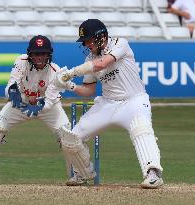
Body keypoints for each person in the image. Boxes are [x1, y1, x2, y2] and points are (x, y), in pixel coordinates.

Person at [54, 19, 163, 188]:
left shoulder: (120, 43)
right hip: (107, 104)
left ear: (101, 36)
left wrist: (71, 73)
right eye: (85, 41)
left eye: (89, 40)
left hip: (134, 101)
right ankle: (83, 173)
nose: (87, 44)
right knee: (71, 138)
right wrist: (70, 86)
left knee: (141, 130)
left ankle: (153, 173)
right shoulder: (90, 58)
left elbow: (103, 63)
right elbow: (89, 91)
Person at [0, 35, 72, 184]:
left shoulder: (55, 71)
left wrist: (40, 104)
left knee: (67, 133)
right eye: (36, 53)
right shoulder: (21, 61)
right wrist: (18, 100)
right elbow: (10, 87)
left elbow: (51, 100)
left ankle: (77, 174)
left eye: (43, 53)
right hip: (21, 103)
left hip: (47, 106)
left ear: (48, 55)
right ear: (30, 54)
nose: (39, 57)